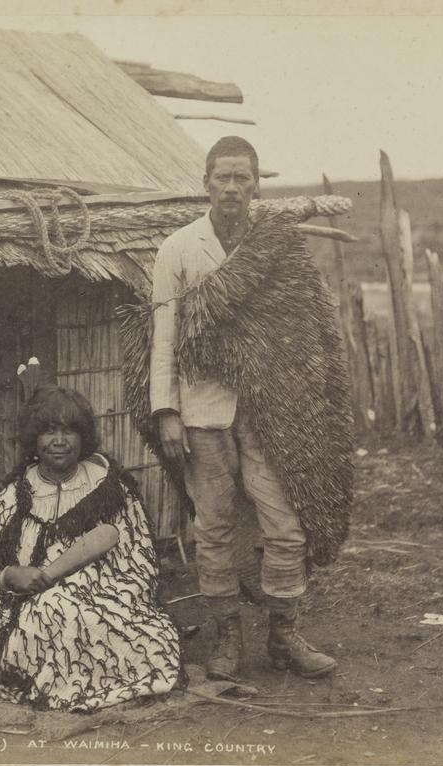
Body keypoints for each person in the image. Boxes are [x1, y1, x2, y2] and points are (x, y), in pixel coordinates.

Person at [149, 136, 348, 680]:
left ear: (256, 184)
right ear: (206, 183)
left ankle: (284, 636)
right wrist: (166, 410)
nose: (232, 188)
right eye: (222, 178)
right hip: (203, 413)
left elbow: (299, 327)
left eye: (242, 178)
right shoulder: (180, 249)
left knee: (286, 527)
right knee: (213, 528)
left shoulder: (274, 246)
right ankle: (227, 640)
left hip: (269, 413)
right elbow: (163, 334)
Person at [0, 382, 181, 712]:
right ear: (34, 439)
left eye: (69, 431)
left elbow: (139, 562)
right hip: (21, 600)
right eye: (49, 431)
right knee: (43, 613)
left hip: (106, 595)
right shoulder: (13, 496)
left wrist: (89, 587)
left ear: (84, 437)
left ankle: (66, 690)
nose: (59, 441)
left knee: (75, 613)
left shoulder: (111, 489)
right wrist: (9, 575)